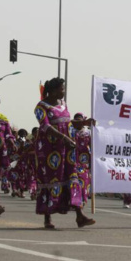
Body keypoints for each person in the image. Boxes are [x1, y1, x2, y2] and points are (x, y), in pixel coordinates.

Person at [34, 78, 95, 229]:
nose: (64, 91)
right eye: (62, 89)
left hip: (67, 148)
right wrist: (63, 137)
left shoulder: (63, 104)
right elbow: (45, 126)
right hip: (49, 149)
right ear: (53, 90)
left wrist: (83, 124)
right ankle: (47, 218)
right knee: (50, 179)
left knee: (72, 177)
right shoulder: (41, 107)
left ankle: (79, 216)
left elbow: (67, 123)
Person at [71, 113, 92, 206]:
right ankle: (74, 200)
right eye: (77, 120)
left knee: (84, 180)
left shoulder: (89, 133)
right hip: (72, 160)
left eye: (81, 120)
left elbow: (92, 146)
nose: (79, 122)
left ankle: (83, 199)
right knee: (74, 180)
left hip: (84, 161)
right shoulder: (70, 131)